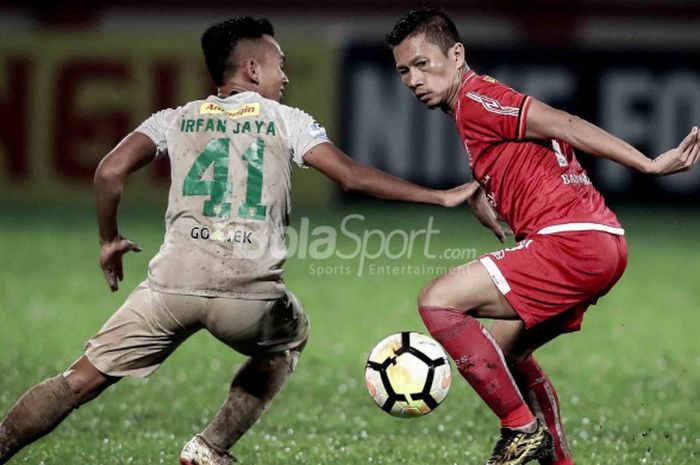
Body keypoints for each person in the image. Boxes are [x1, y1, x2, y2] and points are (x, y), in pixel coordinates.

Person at [0, 16, 479, 465]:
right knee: (289, 341)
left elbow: (108, 171)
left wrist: (108, 240)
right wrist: (437, 197)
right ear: (252, 68)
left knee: (77, 381)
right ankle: (210, 446)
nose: (285, 77)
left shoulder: (174, 117)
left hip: (171, 288)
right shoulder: (284, 119)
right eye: (279, 64)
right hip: (249, 297)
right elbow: (350, 176)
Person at [386, 8, 700, 465]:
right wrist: (485, 187)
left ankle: (521, 429)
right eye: (402, 71)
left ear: (456, 54)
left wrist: (648, 164)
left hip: (571, 242)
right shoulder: (478, 104)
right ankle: (558, 460)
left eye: (422, 64)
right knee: (501, 350)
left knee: (438, 300)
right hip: (603, 241)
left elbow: (564, 124)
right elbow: (523, 152)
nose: (413, 79)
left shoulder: (476, 98)